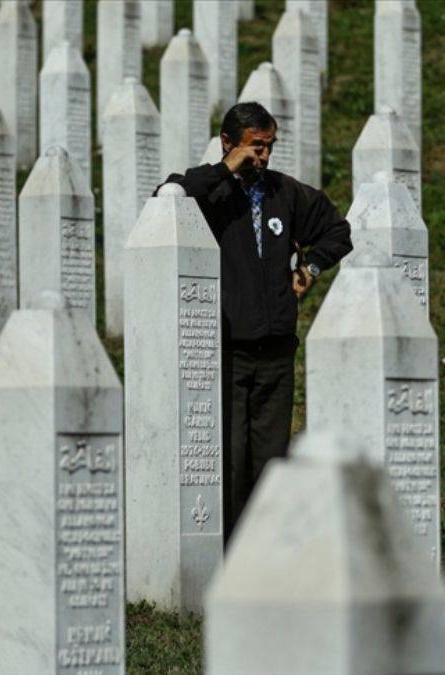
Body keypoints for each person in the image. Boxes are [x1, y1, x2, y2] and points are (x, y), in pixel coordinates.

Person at [156, 102, 353, 538]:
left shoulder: (285, 192)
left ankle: (270, 551)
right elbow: (166, 199)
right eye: (255, 147)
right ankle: (230, 552)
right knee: (230, 459)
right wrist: (227, 168)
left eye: (269, 147)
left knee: (271, 461)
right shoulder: (210, 193)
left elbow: (338, 230)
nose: (263, 157)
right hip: (228, 349)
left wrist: (312, 269)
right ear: (229, 143)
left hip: (277, 350)